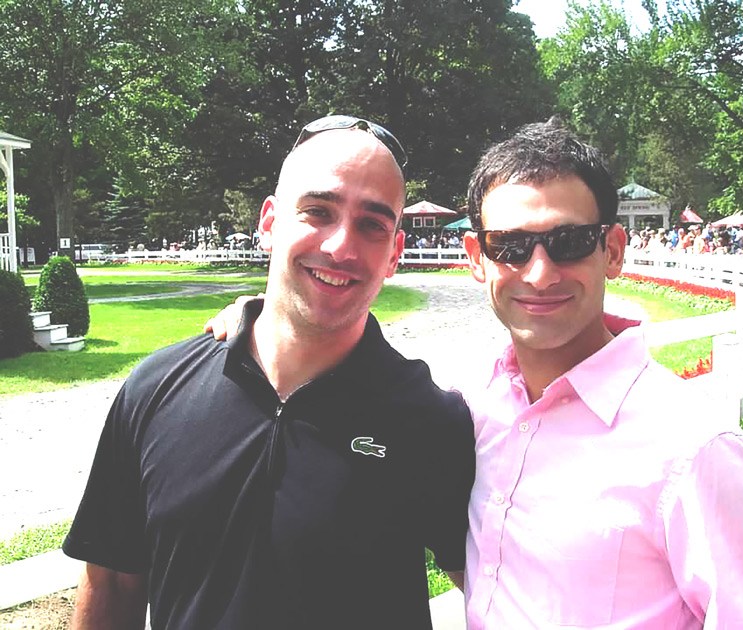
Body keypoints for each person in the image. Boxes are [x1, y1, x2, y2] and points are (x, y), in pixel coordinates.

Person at [207, 118, 743, 628]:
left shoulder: (698, 451)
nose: (540, 273)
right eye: (511, 246)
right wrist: (261, 319)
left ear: (615, 250)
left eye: (569, 241)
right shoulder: (473, 411)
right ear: (478, 259)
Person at [62, 115, 476, 629]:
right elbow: (111, 583)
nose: (340, 247)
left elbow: (508, 589)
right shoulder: (155, 390)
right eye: (318, 211)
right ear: (269, 223)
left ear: (395, 253)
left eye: (372, 224)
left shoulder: (431, 421)